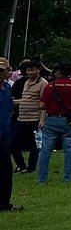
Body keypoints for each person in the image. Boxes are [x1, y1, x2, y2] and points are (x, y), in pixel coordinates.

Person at [37, 62, 71, 185]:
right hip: (69, 120)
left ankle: (42, 179)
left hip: (52, 119)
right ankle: (67, 178)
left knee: (45, 150)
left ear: (58, 72)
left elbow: (42, 105)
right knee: (69, 150)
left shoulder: (50, 86)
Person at [12, 61, 47, 173]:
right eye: (28, 70)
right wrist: (11, 102)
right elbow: (25, 100)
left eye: (32, 70)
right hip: (21, 118)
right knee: (13, 142)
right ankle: (21, 165)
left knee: (35, 145)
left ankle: (31, 168)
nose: (30, 72)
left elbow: (44, 103)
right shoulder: (26, 82)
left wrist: (42, 120)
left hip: (34, 119)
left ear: (38, 70)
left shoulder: (43, 83)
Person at [0, 58, 21, 211]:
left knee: (6, 172)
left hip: (5, 137)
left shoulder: (7, 88)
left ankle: (4, 203)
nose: (2, 73)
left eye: (4, 70)